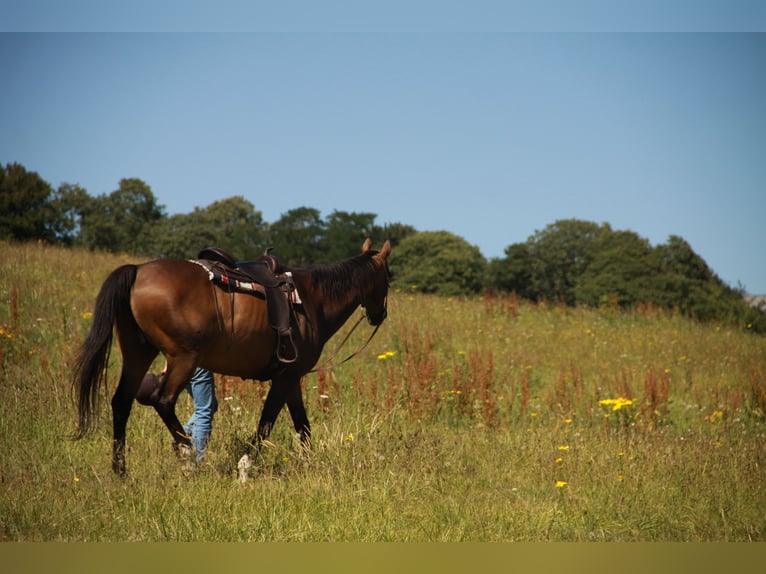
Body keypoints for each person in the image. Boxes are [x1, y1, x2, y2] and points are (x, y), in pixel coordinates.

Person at [137, 366, 218, 462]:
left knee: (212, 405)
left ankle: (181, 437)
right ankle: (196, 463)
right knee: (204, 411)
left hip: (179, 363)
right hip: (195, 360)